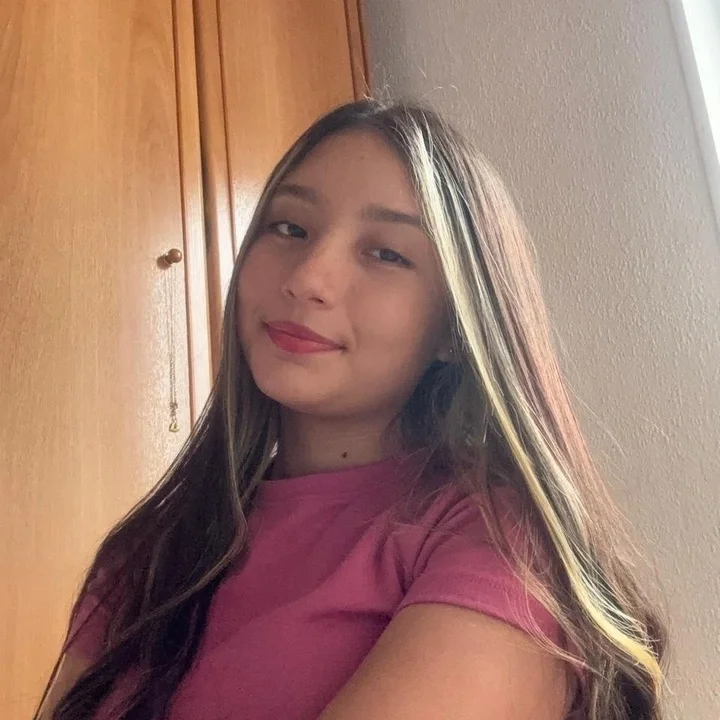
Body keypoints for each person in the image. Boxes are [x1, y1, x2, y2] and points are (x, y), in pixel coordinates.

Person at [37, 99, 667, 720]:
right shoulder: (147, 553)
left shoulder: (498, 541)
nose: (308, 277)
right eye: (290, 228)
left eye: (386, 253)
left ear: (455, 327)